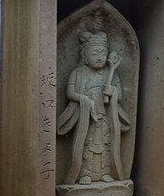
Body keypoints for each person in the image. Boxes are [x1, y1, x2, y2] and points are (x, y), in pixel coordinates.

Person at [56, 30, 132, 185]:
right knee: (86, 144)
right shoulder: (78, 73)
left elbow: (119, 96)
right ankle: (85, 173)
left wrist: (113, 92)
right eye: (94, 53)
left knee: (106, 144)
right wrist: (85, 99)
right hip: (86, 116)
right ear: (85, 55)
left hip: (105, 116)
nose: (99, 57)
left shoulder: (112, 74)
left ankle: (105, 172)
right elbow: (70, 93)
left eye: (103, 53)